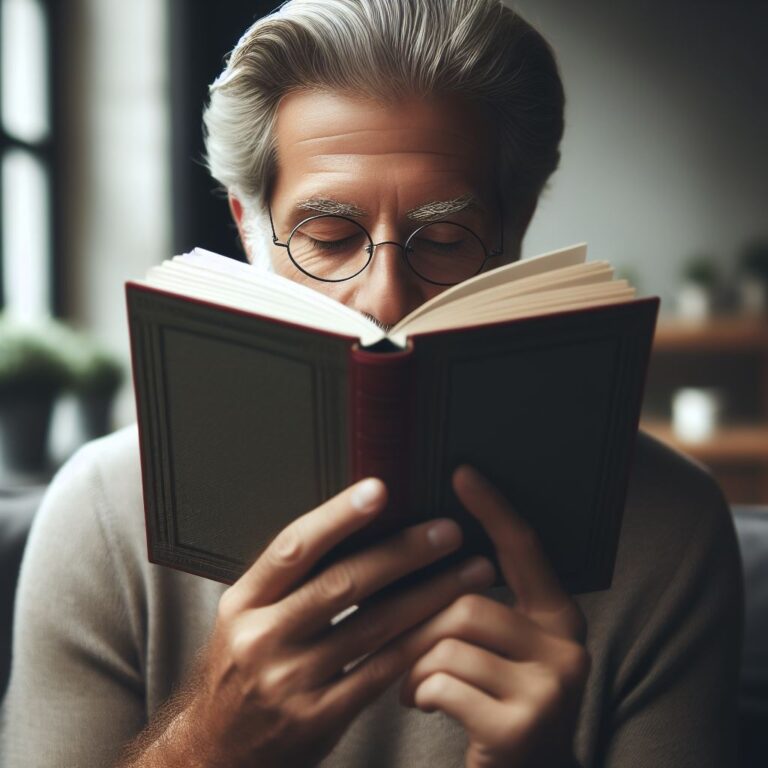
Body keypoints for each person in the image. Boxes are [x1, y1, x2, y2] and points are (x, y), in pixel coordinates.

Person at [0, 1, 743, 766]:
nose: (385, 297)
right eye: (328, 238)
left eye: (446, 238)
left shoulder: (668, 532)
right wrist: (207, 746)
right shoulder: (100, 513)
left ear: (516, 234)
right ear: (249, 229)